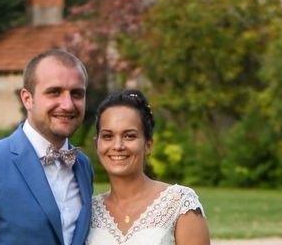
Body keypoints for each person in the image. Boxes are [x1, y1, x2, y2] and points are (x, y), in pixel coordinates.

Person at [0, 49, 94, 245]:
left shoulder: (83, 166)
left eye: (76, 94)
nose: (67, 104)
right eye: (54, 92)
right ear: (27, 99)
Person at [87, 90, 210, 245]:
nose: (117, 146)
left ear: (148, 145)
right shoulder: (89, 212)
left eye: (129, 136)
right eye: (107, 136)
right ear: (96, 144)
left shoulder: (179, 204)